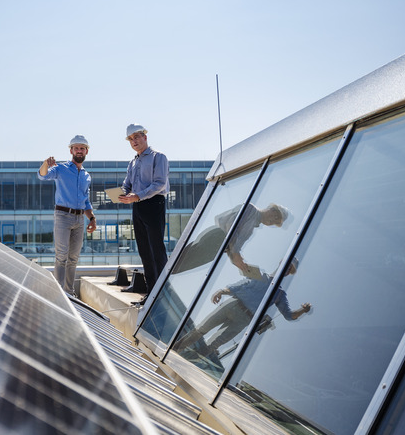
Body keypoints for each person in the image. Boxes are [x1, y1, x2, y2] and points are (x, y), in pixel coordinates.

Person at [173, 258, 312, 360]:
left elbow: (289, 315)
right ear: (281, 262)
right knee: (201, 329)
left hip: (244, 319)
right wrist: (222, 291)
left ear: (289, 273)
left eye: (290, 269)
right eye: (287, 265)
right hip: (232, 304)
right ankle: (174, 351)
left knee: (213, 344)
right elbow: (240, 285)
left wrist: (303, 310)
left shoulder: (280, 294)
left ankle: (188, 362)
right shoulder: (260, 274)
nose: (287, 269)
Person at [38, 135, 97, 296]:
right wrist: (45, 163)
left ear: (86, 151)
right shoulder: (61, 169)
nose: (79, 150)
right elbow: (43, 175)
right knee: (61, 255)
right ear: (71, 150)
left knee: (73, 258)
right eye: (76, 148)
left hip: (79, 219)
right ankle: (59, 294)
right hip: (63, 216)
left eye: (82, 148)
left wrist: (91, 218)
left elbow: (85, 201)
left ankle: (69, 292)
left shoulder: (86, 176)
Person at [118, 124, 170, 305]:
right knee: (144, 251)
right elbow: (127, 184)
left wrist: (137, 195)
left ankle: (164, 292)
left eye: (137, 137)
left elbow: (160, 184)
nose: (134, 141)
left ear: (145, 137)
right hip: (137, 206)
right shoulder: (133, 162)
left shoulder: (158, 157)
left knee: (156, 249)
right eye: (131, 139)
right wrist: (122, 192)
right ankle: (151, 293)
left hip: (153, 204)